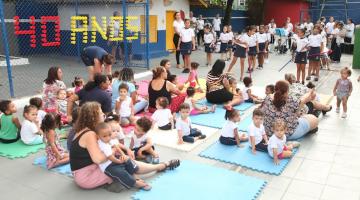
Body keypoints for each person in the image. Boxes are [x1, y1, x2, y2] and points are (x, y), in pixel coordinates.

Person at [69, 102, 180, 191]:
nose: (103, 114)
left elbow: (110, 145)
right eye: (100, 112)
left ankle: (156, 168)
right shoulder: (90, 134)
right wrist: (114, 151)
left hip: (87, 170)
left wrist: (125, 150)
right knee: (123, 165)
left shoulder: (87, 129)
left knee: (125, 160)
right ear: (93, 117)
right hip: (87, 175)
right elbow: (98, 159)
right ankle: (160, 167)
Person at [96, 122, 152, 190]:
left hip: (115, 159)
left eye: (109, 135)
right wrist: (119, 161)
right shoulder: (102, 144)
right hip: (108, 166)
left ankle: (134, 174)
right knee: (121, 173)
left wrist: (123, 154)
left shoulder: (109, 139)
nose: (108, 138)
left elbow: (116, 146)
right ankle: (135, 183)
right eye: (105, 136)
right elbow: (110, 157)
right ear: (98, 136)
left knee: (128, 160)